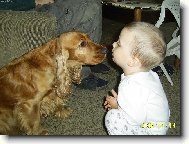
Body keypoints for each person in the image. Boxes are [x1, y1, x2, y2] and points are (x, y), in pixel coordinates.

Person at [0, 0, 109, 91]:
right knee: (91, 6)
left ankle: (90, 58)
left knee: (94, 1)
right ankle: (82, 73)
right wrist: (33, 1)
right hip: (26, 8)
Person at [104, 22, 170, 135]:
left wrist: (117, 106)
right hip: (160, 125)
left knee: (112, 118)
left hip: (149, 131)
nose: (114, 44)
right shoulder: (149, 74)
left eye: (119, 43)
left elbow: (134, 119)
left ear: (133, 61)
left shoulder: (131, 85)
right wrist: (123, 101)